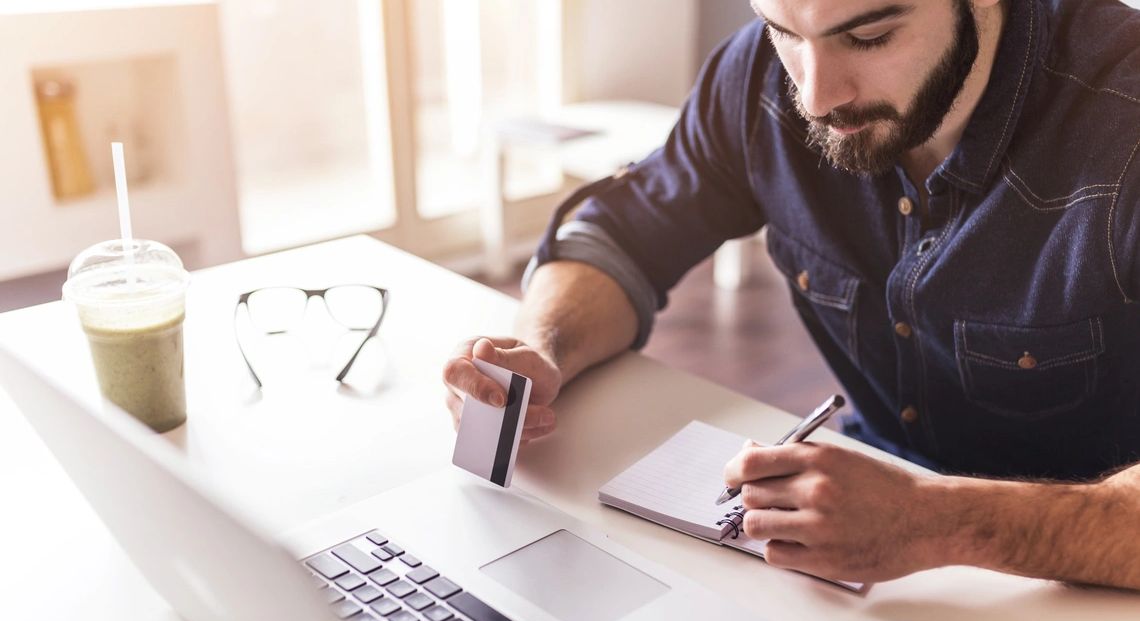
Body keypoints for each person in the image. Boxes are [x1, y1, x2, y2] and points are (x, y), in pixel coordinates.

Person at [443, 0, 1140, 591]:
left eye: (869, 36)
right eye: (783, 30)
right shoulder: (759, 80)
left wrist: (937, 520)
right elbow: (621, 231)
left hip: (1089, 599)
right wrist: (543, 344)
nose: (814, 96)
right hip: (861, 566)